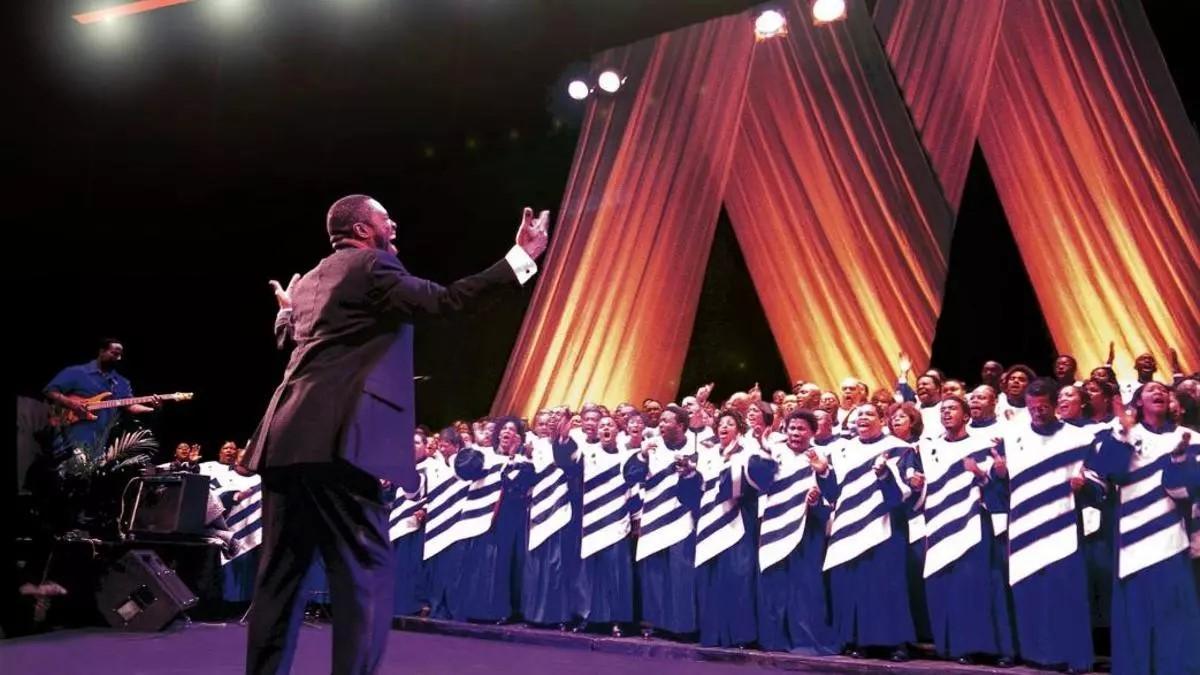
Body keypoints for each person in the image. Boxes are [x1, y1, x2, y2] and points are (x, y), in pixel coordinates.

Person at [240, 195, 549, 675]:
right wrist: (521, 258)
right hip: (338, 439)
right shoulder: (373, 266)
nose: (395, 224)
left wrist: (286, 311)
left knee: (279, 579)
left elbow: (289, 341)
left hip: (283, 440)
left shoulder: (312, 280)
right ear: (364, 230)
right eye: (386, 219)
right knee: (365, 573)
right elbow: (447, 302)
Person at [43, 338, 159, 458]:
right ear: (102, 351)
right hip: (69, 436)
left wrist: (152, 408)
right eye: (114, 354)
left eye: (120, 355)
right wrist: (73, 404)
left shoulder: (121, 382)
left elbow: (130, 405)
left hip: (99, 442)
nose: (118, 358)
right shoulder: (77, 372)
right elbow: (49, 391)